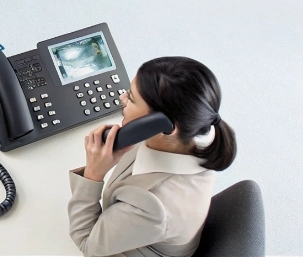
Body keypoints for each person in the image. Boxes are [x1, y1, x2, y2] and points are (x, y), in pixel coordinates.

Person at [68, 57, 238, 257]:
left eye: (131, 98)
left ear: (162, 125)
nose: (122, 97)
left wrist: (94, 174)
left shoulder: (153, 206)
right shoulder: (197, 131)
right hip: (140, 229)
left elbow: (88, 243)